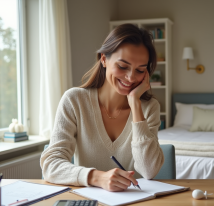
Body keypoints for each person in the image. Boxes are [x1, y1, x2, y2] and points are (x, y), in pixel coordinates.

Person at [40, 23, 164, 192]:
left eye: (140, 70)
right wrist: (98, 177)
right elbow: (50, 165)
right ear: (104, 59)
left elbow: (149, 171)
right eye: (122, 66)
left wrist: (135, 104)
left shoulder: (149, 108)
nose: (130, 77)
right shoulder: (74, 101)